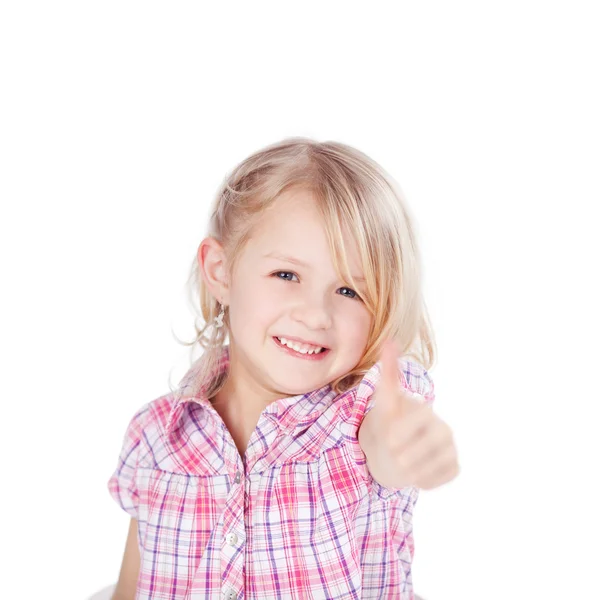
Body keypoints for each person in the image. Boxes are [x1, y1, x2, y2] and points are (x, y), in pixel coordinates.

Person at [107, 137, 460, 600]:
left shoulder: (363, 414)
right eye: (287, 275)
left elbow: (387, 448)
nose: (316, 314)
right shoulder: (157, 435)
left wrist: (406, 448)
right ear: (221, 271)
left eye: (351, 291)